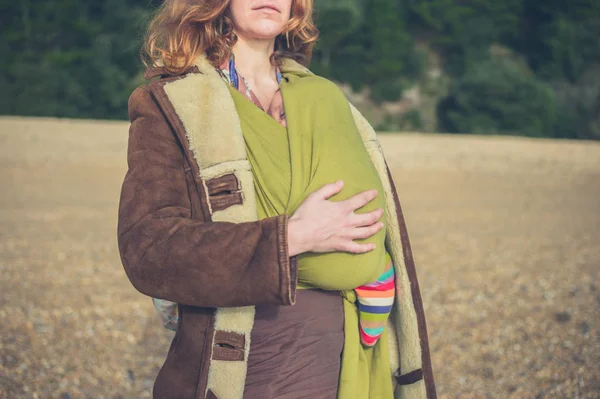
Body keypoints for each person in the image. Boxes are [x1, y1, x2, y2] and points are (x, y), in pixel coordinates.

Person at [117, 0, 437, 398]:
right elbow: (149, 249)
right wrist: (293, 237)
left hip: (338, 359)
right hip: (241, 361)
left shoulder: (322, 98)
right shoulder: (171, 104)